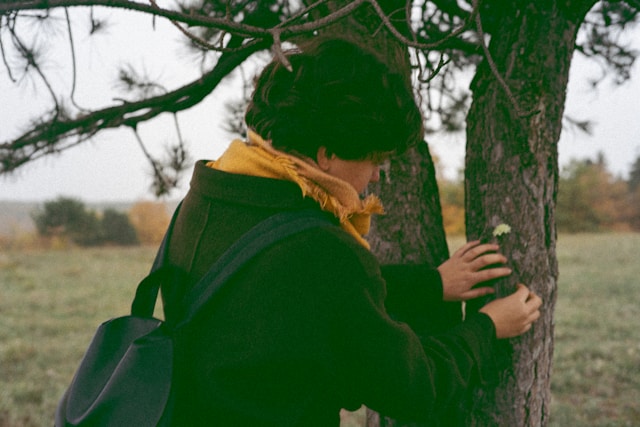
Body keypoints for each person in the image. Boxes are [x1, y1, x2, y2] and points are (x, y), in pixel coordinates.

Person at [165, 38, 542, 426]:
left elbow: (301, 290)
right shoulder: (322, 247)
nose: (378, 174)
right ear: (327, 152)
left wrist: (432, 285)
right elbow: (414, 388)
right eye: (374, 157)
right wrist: (489, 326)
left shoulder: (209, 197)